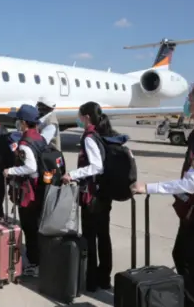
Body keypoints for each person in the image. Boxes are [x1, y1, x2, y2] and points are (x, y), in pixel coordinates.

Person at [132, 79, 194, 307]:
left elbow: (191, 184)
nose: (187, 103)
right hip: (193, 212)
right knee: (183, 258)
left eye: (190, 99)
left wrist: (149, 188)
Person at [62, 101, 120, 292]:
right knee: (104, 236)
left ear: (86, 117)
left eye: (79, 116)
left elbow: (97, 166)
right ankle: (104, 277)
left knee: (90, 237)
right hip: (103, 194)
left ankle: (92, 280)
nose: (78, 120)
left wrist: (72, 174)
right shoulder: (102, 133)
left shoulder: (89, 137)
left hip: (93, 197)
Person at [4, 104, 47, 278]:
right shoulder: (40, 138)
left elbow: (30, 167)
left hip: (29, 192)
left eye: (18, 121)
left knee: (29, 228)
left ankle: (34, 264)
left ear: (23, 123)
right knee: (36, 226)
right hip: (41, 188)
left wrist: (10, 171)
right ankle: (40, 259)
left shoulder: (25, 143)